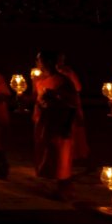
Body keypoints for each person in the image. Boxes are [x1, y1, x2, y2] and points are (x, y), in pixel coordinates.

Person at [33, 50, 79, 201]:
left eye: (40, 60)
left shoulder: (62, 81)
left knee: (61, 157)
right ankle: (58, 187)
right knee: (51, 155)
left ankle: (65, 190)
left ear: (47, 62)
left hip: (60, 123)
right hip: (46, 122)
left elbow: (72, 105)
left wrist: (66, 125)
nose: (38, 63)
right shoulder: (44, 80)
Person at [56, 53, 89, 166]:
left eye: (61, 60)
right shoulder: (46, 74)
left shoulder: (67, 72)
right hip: (56, 107)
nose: (60, 62)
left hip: (69, 104)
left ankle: (73, 156)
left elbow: (78, 87)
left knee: (72, 129)